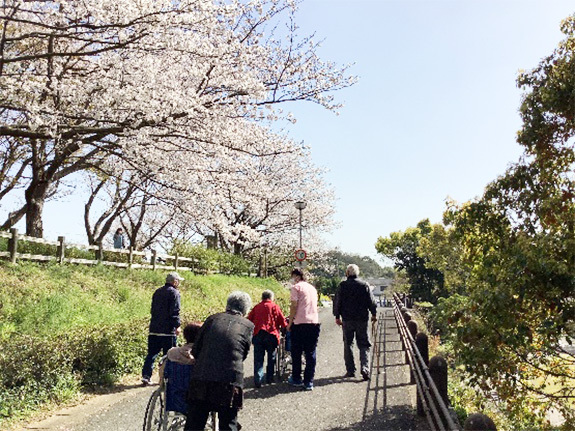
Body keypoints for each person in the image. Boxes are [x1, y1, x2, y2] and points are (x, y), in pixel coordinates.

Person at [184, 291, 254, 431]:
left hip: (202, 379)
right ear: (245, 310)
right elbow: (243, 353)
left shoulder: (212, 319)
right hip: (229, 382)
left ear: (227, 305)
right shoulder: (248, 325)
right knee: (228, 424)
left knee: (194, 424)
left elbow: (196, 349)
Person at [333, 264, 377, 381]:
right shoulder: (364, 285)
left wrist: (337, 316)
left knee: (348, 344)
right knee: (364, 344)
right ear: (358, 273)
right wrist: (373, 313)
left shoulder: (342, 286)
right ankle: (365, 368)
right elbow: (371, 301)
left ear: (347, 273)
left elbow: (337, 302)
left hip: (347, 319)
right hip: (362, 319)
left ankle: (351, 370)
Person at [141, 271, 184, 385]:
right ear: (174, 282)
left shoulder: (157, 292)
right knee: (169, 355)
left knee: (151, 353)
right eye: (178, 281)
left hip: (154, 328)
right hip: (168, 331)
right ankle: (167, 377)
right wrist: (177, 326)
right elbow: (174, 312)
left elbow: (153, 310)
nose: (178, 283)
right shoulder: (175, 293)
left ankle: (146, 375)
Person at [287, 268, 320, 391]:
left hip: (300, 323)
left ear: (296, 276)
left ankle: (296, 378)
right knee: (310, 353)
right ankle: (309, 381)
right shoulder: (312, 288)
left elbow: (294, 306)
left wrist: (290, 322)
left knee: (296, 352)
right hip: (314, 323)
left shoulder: (296, 288)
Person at [247, 290, 287, 387]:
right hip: (271, 335)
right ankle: (269, 378)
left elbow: (248, 320)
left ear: (262, 297)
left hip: (258, 334)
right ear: (271, 297)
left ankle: (258, 380)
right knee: (271, 357)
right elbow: (282, 322)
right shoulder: (275, 307)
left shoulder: (256, 307)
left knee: (258, 359)